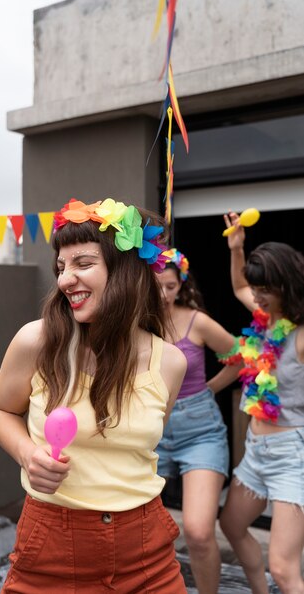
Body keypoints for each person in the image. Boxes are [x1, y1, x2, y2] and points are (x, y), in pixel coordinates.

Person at [0, 197, 188, 593]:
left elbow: (140, 448)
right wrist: (29, 455)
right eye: (61, 268)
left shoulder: (171, 363)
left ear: (127, 271)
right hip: (53, 544)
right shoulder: (36, 340)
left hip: (147, 548)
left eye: (82, 264)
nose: (64, 280)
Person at [218, 211, 304, 594]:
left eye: (264, 289)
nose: (255, 296)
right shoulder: (265, 319)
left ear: (288, 285)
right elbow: (239, 285)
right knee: (232, 527)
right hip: (256, 452)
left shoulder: (300, 336)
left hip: (292, 456)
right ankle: (258, 590)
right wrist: (237, 249)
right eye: (256, 289)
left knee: (284, 569)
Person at [153, 246, 238, 594]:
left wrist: (209, 387)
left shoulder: (195, 320)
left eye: (170, 286)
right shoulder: (134, 321)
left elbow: (239, 357)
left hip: (199, 430)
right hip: (150, 430)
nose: (163, 294)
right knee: (140, 530)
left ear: (181, 284)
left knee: (200, 532)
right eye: (156, 285)